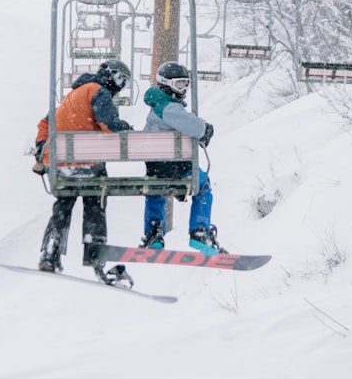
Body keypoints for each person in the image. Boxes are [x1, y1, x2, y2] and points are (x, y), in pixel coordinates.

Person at [33, 59, 133, 273]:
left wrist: (43, 149)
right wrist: (127, 128)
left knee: (63, 205)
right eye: (120, 80)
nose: (119, 87)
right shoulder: (98, 92)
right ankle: (94, 249)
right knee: (95, 200)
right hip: (89, 166)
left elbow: (45, 123)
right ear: (109, 75)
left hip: (62, 166)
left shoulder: (72, 96)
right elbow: (110, 126)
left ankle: (51, 250)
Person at [140, 61, 227, 256]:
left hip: (155, 170)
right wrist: (206, 130)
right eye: (179, 85)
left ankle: (154, 234)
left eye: (186, 84)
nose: (184, 90)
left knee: (155, 190)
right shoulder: (168, 108)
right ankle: (199, 231)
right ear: (166, 84)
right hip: (176, 168)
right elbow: (194, 126)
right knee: (203, 185)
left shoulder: (156, 108)